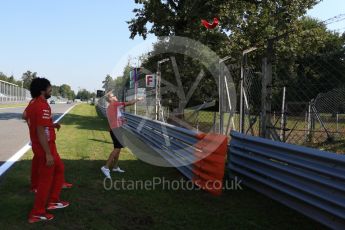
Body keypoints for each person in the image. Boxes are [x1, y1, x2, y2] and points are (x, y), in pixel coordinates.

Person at [24, 78, 69, 224]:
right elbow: (40, 130)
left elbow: (37, 123)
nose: (51, 91)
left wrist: (51, 124)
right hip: (45, 147)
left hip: (43, 145)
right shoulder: (42, 106)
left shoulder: (33, 104)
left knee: (59, 169)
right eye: (50, 89)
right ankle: (37, 212)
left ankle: (53, 201)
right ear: (42, 90)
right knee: (45, 180)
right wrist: (48, 153)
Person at [23, 106, 73, 193]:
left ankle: (40, 187)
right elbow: (25, 115)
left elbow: (32, 118)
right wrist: (35, 127)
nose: (50, 92)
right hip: (45, 141)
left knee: (43, 164)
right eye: (49, 91)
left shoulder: (37, 102)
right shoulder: (37, 102)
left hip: (44, 140)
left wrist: (50, 125)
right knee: (50, 167)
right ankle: (49, 197)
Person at [101, 92, 143, 179]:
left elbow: (115, 119)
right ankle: (105, 167)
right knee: (117, 149)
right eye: (114, 95)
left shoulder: (111, 107)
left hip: (114, 129)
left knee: (118, 149)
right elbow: (129, 103)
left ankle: (115, 167)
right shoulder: (115, 104)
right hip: (116, 130)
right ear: (110, 99)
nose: (116, 96)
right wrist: (138, 99)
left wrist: (122, 120)